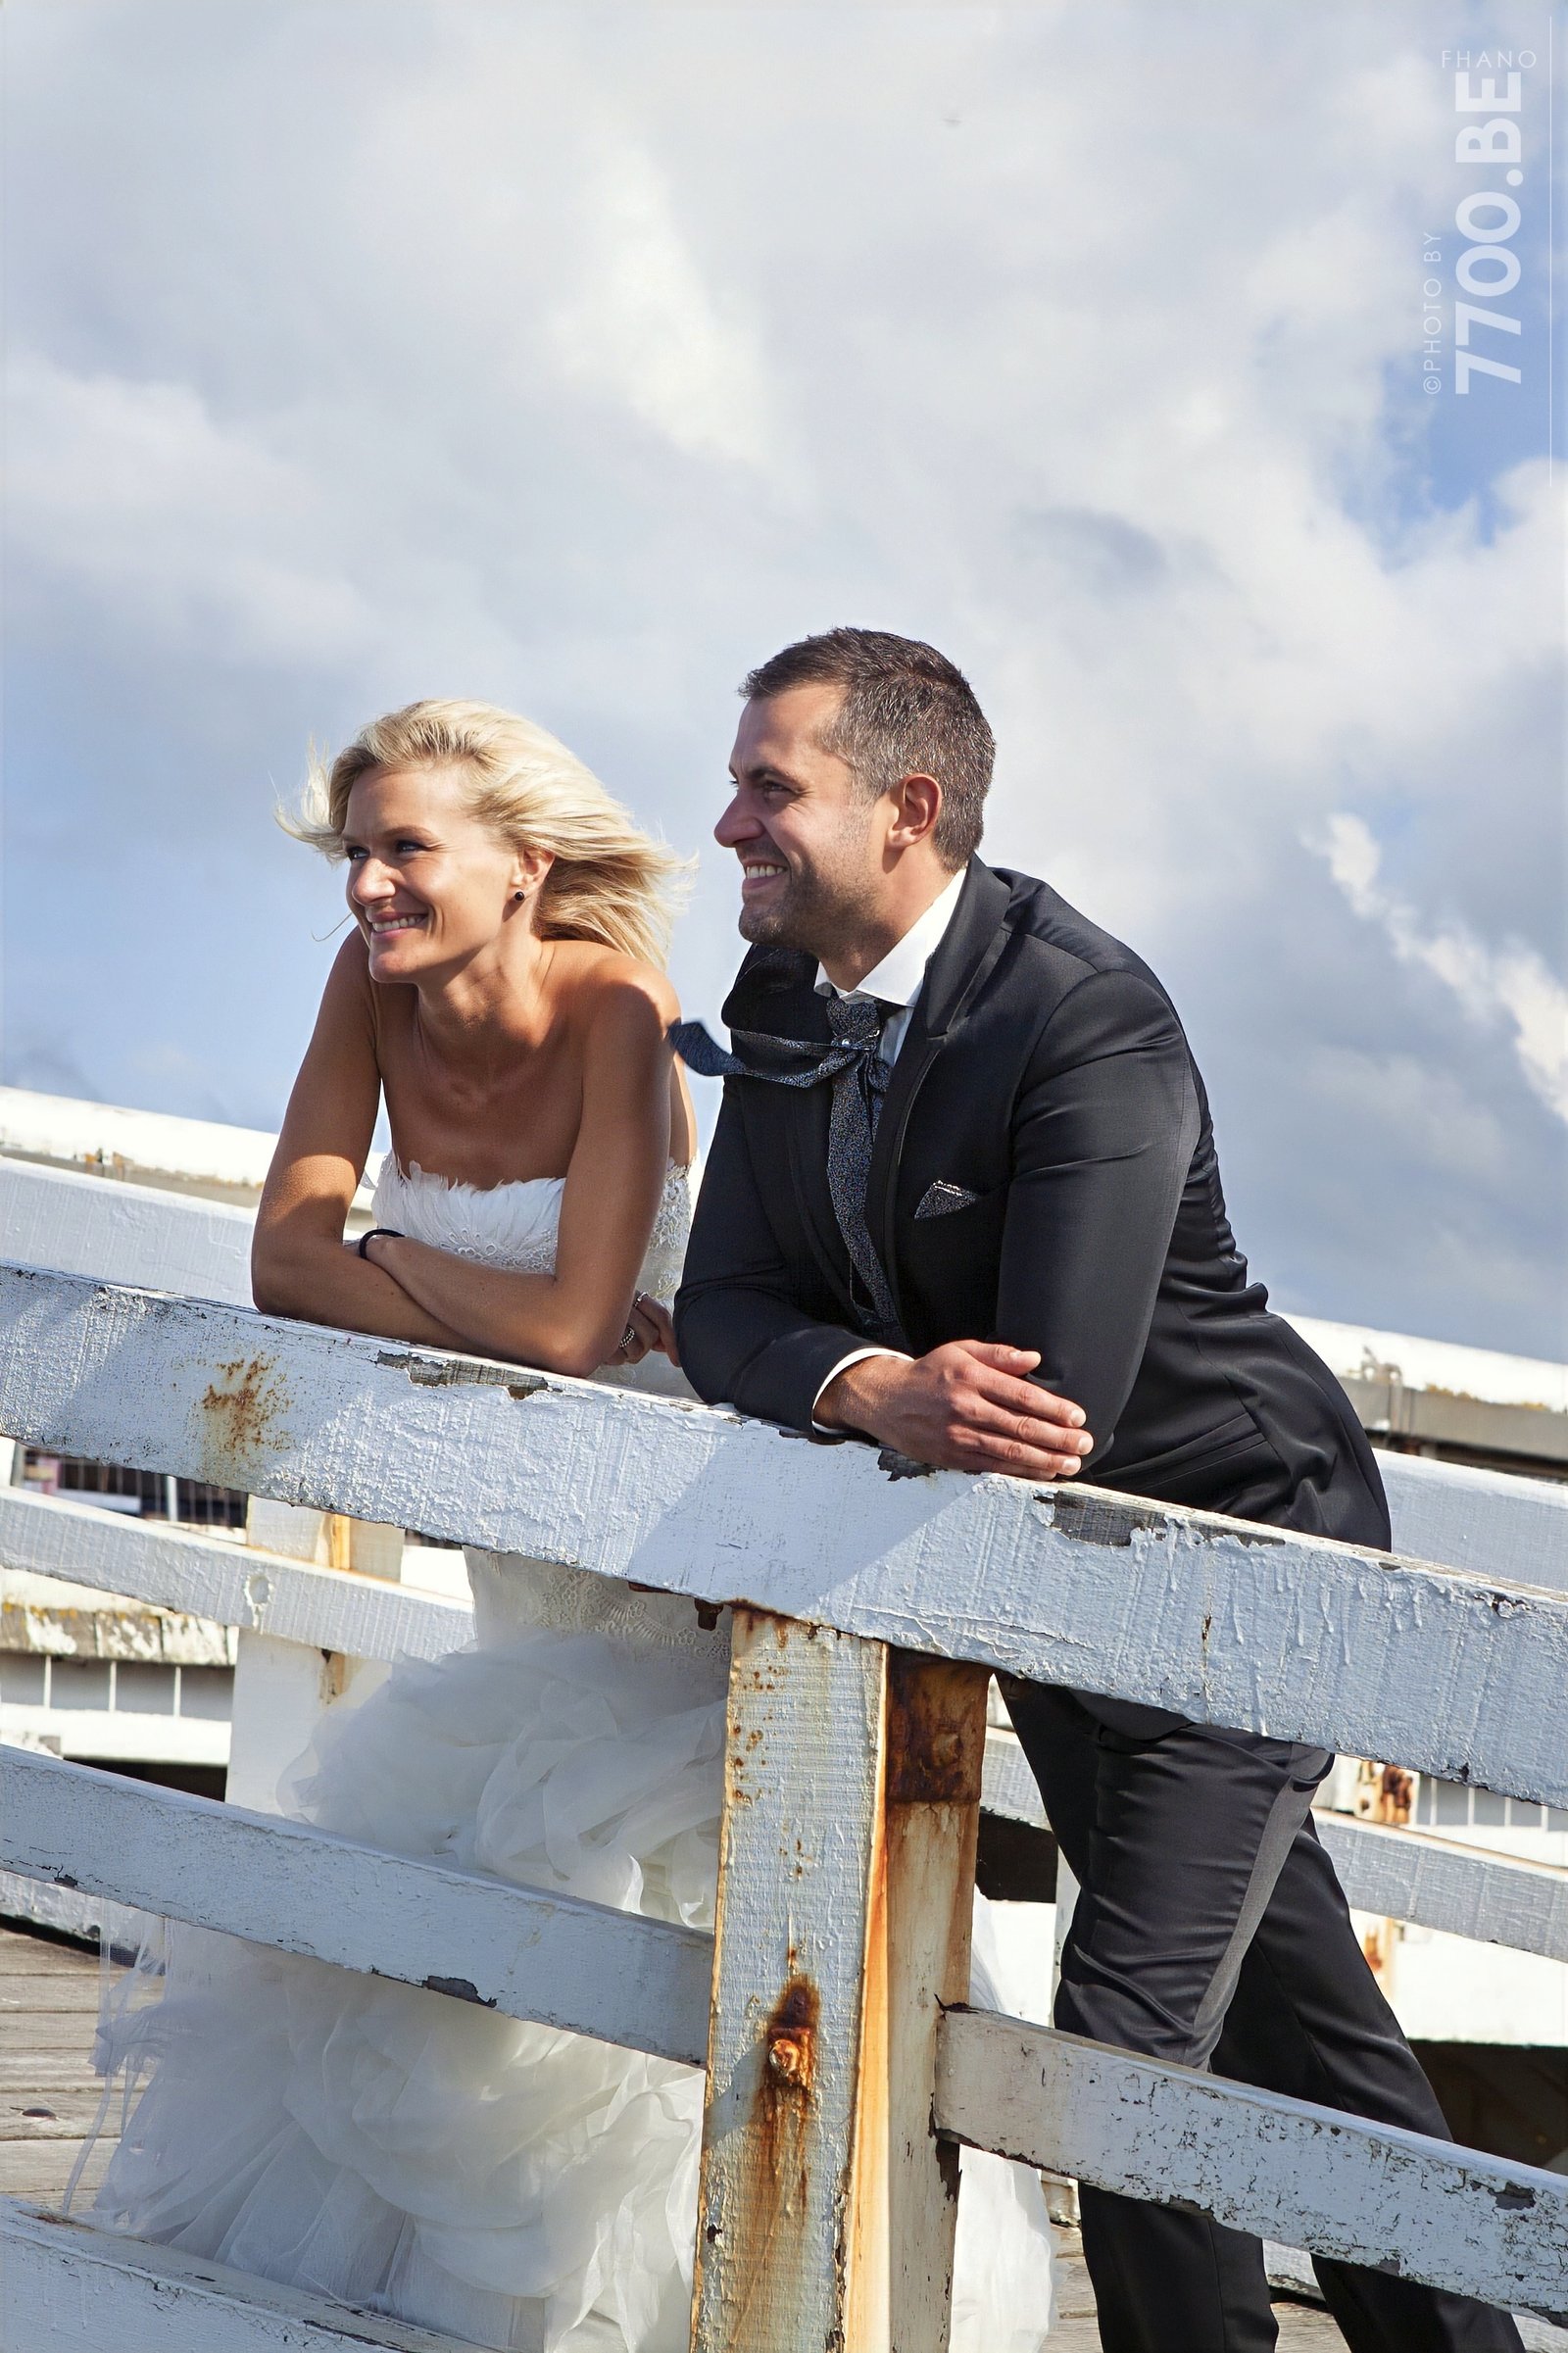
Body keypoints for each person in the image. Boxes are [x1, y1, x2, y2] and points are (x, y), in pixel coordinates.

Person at [82, 696, 1052, 2353]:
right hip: (515, 1554)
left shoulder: (617, 1007)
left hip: (648, 1545)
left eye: (406, 850)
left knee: (653, 1886)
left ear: (526, 868)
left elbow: (571, 1322)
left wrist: (381, 1257)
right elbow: (278, 1262)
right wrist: (415, 1273)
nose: (369, 889)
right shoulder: (368, 996)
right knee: (430, 1909)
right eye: (357, 853)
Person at [673, 627, 1525, 2353]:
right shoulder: (783, 995)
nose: (726, 824)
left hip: (1241, 1557)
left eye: (771, 786)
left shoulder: (1085, 1009)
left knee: (1126, 2043)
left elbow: (1052, 1397)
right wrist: (875, 1384)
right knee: (1308, 2038)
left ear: (909, 806)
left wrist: (917, 1393)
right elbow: (722, 1311)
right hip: (1049, 1586)